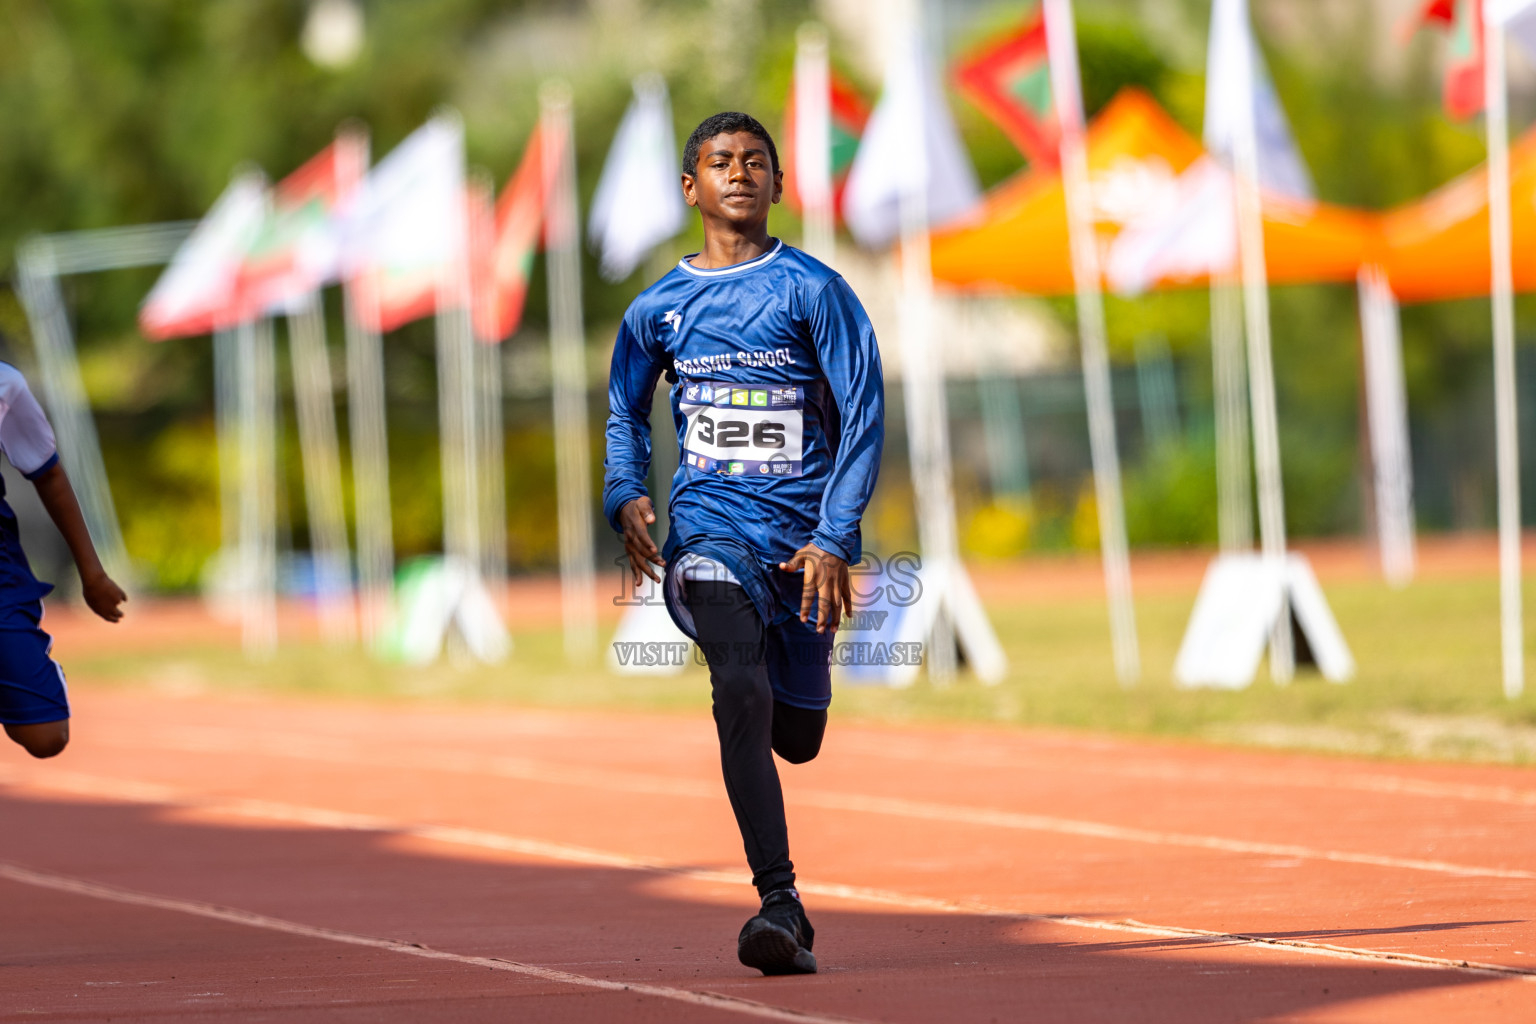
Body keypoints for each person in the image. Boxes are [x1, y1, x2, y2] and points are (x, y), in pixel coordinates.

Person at [603, 111, 884, 976]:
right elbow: (624, 407)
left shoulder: (816, 292)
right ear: (691, 187)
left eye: (755, 162)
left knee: (797, 737)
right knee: (738, 683)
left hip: (804, 550)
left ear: (777, 183)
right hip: (708, 536)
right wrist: (626, 490)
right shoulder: (658, 308)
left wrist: (835, 537)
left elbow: (866, 417)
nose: (739, 173)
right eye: (720, 163)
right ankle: (779, 903)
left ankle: (780, 678)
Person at [0, 354, 126, 759]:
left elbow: (47, 472)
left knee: (47, 737)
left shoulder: (6, 383)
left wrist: (93, 575)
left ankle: (31, 667)